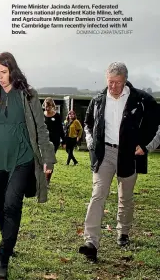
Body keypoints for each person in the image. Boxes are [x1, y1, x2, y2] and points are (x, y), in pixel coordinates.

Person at [0, 52, 56, 279]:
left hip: (22, 159)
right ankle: (9, 240)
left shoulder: (28, 96)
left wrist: (48, 157)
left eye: (3, 72)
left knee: (12, 203)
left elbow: (41, 128)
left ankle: (2, 257)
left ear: (12, 71)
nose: (0, 77)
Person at [79, 62, 158, 262]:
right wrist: (90, 143)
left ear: (125, 80)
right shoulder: (98, 100)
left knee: (125, 197)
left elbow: (157, 125)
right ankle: (91, 242)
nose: (112, 86)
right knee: (97, 195)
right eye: (110, 82)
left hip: (129, 155)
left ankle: (123, 231)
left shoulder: (142, 100)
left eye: (117, 82)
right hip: (104, 153)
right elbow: (87, 123)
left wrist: (146, 146)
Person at [43, 97, 65, 184]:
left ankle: (47, 180)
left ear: (52, 106)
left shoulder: (57, 116)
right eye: (45, 106)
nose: (47, 108)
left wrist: (63, 141)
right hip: (43, 140)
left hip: (54, 142)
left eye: (49, 106)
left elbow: (60, 129)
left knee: (49, 160)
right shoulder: (42, 115)